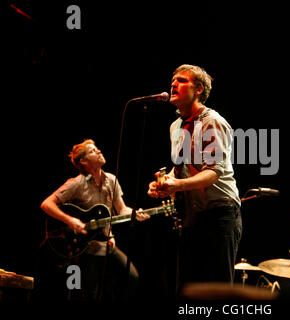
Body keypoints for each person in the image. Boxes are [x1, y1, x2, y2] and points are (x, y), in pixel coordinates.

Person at [147, 64, 242, 289]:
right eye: (173, 80)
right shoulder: (175, 126)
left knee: (216, 291)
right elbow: (179, 168)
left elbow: (213, 173)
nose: (173, 84)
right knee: (188, 289)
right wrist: (164, 183)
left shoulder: (212, 122)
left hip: (220, 215)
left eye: (181, 80)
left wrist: (177, 185)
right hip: (192, 217)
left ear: (198, 89)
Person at [41, 139, 150, 300]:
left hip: (107, 244)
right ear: (84, 161)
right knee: (87, 294)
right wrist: (70, 220)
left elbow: (121, 210)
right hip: (85, 248)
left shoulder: (111, 180)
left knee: (131, 277)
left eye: (97, 149)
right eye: (93, 151)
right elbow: (46, 204)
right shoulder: (76, 183)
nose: (99, 151)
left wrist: (135, 213)